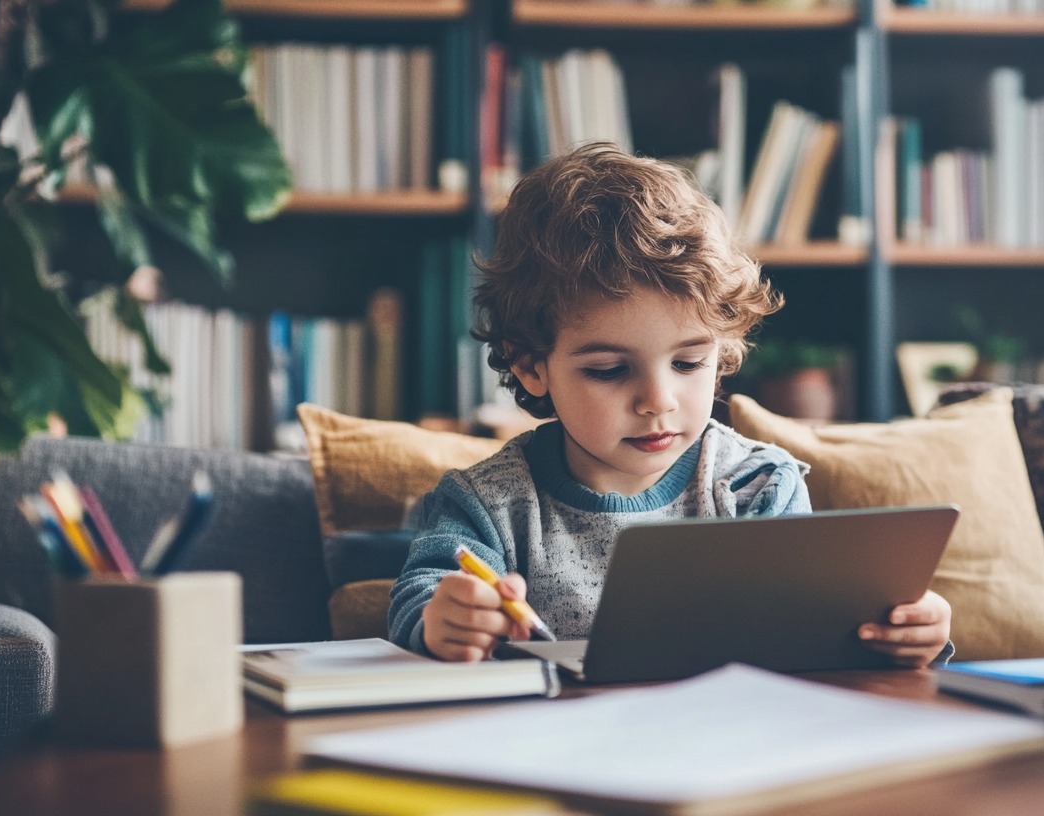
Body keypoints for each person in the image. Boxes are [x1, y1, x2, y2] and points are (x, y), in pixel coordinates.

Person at [388, 143, 951, 668]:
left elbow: (813, 636)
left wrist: (901, 631)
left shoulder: (755, 484)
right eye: (609, 370)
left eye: (687, 364)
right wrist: (446, 617)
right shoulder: (488, 503)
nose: (658, 401)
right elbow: (420, 599)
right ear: (531, 365)